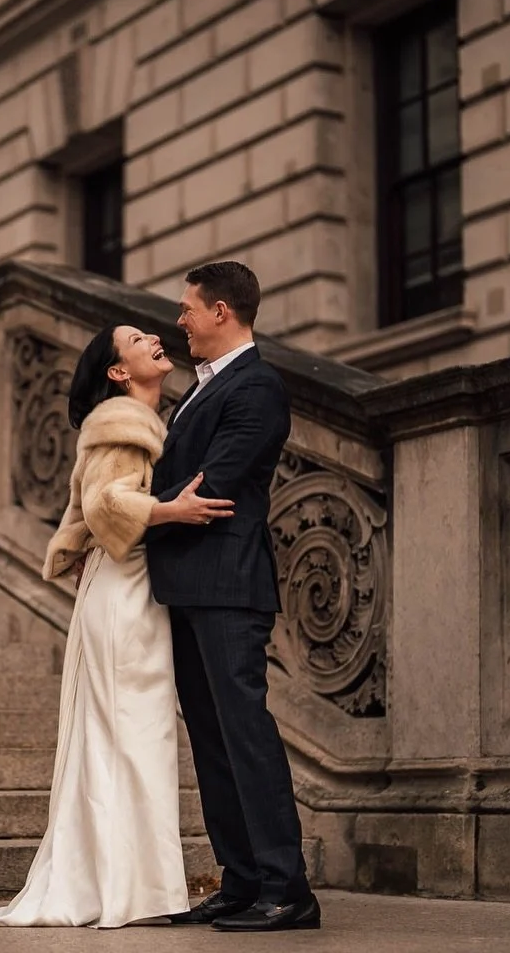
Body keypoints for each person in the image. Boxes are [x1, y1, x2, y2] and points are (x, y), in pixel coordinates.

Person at [0, 323, 233, 929]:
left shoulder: (139, 419)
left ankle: (134, 889)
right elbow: (103, 504)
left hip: (128, 589)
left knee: (132, 737)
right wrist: (170, 509)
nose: (154, 338)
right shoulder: (122, 422)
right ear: (117, 372)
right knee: (131, 736)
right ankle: (133, 892)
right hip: (123, 592)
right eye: (136, 340)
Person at [147, 261, 319, 932]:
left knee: (245, 736)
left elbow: (212, 485)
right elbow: (181, 485)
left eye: (188, 308)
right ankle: (241, 880)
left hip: (227, 584)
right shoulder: (201, 386)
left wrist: (130, 510)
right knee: (213, 742)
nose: (180, 320)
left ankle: (288, 889)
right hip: (188, 584)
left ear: (222, 310)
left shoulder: (257, 386)